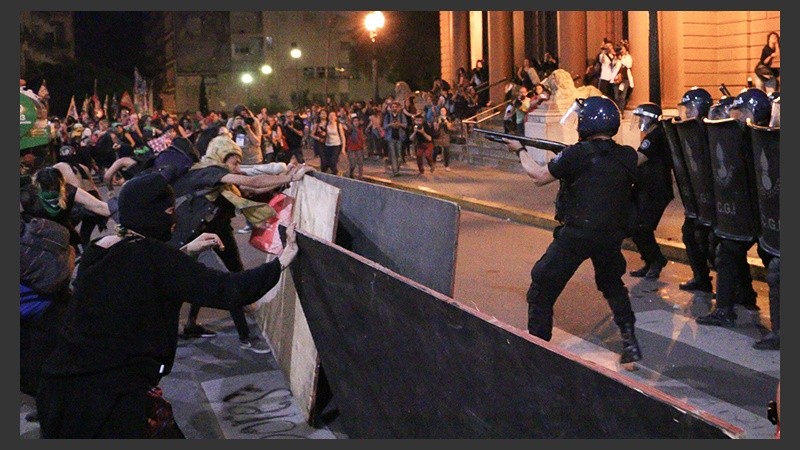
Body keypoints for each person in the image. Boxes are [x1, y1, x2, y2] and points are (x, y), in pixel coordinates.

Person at [35, 172, 300, 438]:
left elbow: (142, 274)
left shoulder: (101, 250)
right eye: (170, 211)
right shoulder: (157, 259)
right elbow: (228, 290)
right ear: (150, 215)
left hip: (61, 394)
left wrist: (184, 253)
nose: (174, 221)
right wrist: (282, 260)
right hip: (108, 405)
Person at [504, 96, 642, 365]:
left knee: (541, 287)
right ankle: (630, 342)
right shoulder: (627, 155)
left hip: (577, 234)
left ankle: (538, 350)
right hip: (611, 235)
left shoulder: (577, 154)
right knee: (613, 284)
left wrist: (520, 149)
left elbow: (539, 176)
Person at [696, 88, 773, 329]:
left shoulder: (768, 138)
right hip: (745, 210)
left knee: (772, 263)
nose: (737, 118)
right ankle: (732, 305)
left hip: (766, 213)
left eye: (742, 113)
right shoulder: (735, 137)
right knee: (728, 251)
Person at [674, 87, 716, 293]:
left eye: (689, 108)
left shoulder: (710, 130)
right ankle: (701, 277)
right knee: (689, 233)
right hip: (697, 198)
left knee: (713, 243)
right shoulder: (687, 130)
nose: (686, 113)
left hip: (714, 199)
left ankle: (740, 291)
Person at [627, 103, 672, 279]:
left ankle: (656, 260)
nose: (639, 122)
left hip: (655, 189)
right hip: (646, 187)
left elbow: (639, 159)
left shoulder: (655, 136)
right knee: (634, 225)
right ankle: (650, 260)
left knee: (641, 226)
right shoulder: (653, 134)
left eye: (641, 118)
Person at [383, 101, 408, 177]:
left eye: (395, 107)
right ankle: (395, 171)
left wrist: (399, 124)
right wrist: (391, 124)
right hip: (391, 138)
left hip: (399, 137)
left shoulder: (401, 116)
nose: (394, 108)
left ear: (398, 108)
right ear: (390, 108)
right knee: (393, 155)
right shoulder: (387, 116)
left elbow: (405, 125)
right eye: (392, 107)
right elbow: (384, 126)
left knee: (400, 156)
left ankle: (396, 168)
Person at [345, 113, 366, 180]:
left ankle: (360, 177)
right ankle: (351, 173)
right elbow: (348, 126)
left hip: (359, 148)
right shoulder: (351, 129)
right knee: (353, 163)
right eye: (354, 121)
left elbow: (362, 138)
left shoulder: (361, 129)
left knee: (360, 163)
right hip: (351, 148)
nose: (356, 123)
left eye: (357, 121)